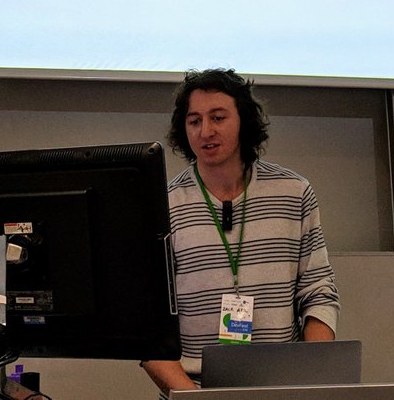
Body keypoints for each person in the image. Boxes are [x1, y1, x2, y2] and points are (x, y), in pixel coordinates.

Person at [141, 68, 340, 395]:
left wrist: (311, 380)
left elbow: (318, 294)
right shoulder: (162, 205)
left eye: (218, 118)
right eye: (194, 121)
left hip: (283, 388)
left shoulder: (293, 193)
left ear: (244, 121)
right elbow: (146, 326)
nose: (206, 131)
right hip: (193, 390)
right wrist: (194, 398)